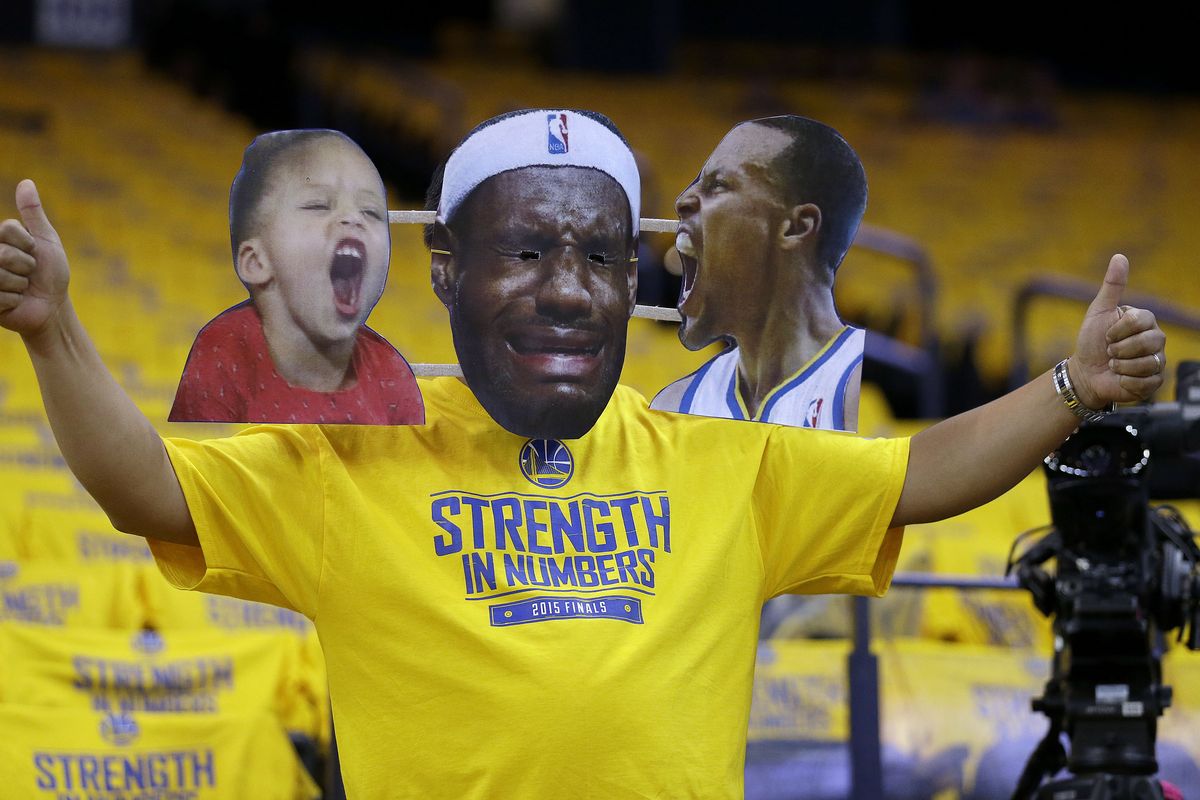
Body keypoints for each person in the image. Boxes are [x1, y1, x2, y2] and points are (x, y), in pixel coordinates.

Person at [0, 108, 1167, 799]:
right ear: (447, 271)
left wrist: (1073, 386)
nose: (570, 290)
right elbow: (140, 482)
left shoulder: (719, 463)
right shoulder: (342, 468)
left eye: (603, 259)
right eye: (526, 251)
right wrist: (54, 329)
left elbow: (923, 471)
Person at [169, 129, 424, 425]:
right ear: (256, 261)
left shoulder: (391, 373)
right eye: (318, 205)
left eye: (371, 211)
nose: (353, 218)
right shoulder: (224, 351)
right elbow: (201, 466)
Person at [651, 116, 867, 431]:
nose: (682, 201)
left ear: (797, 227)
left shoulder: (854, 394)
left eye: (717, 185)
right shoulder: (674, 405)